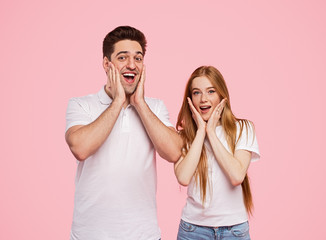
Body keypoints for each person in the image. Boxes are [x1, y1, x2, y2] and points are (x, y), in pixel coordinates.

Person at [65, 26, 183, 240]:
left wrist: (139, 103)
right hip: (90, 235)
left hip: (143, 235)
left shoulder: (154, 107)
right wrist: (118, 102)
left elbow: (174, 152)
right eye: (122, 57)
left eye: (138, 58)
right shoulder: (81, 105)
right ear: (106, 63)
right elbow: (80, 148)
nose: (131, 65)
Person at [174, 66, 260, 239]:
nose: (203, 99)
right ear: (190, 99)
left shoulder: (243, 128)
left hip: (234, 231)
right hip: (193, 230)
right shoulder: (184, 136)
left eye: (211, 91)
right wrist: (200, 132)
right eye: (197, 93)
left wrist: (211, 132)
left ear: (222, 95)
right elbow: (183, 178)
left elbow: (236, 176)